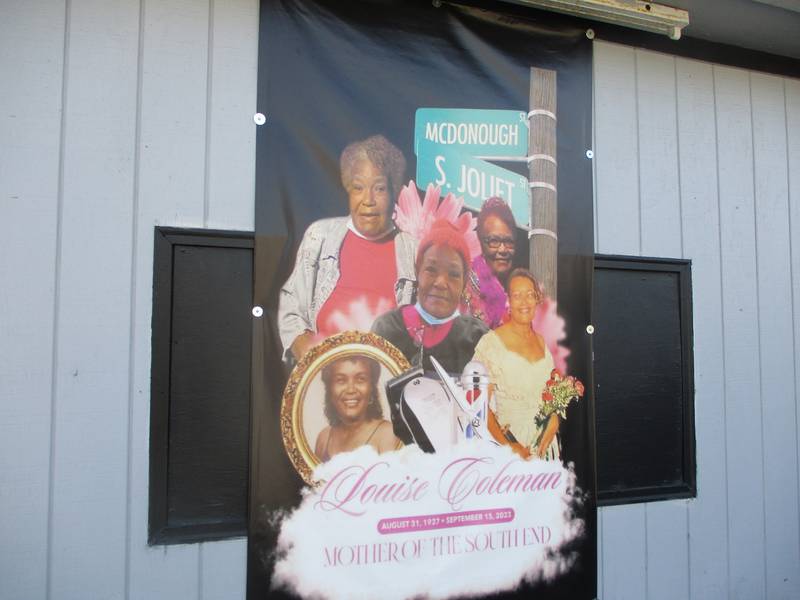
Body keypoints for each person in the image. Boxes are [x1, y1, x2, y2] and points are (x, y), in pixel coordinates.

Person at [278, 135, 417, 362]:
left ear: (394, 192)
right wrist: (303, 345)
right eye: (358, 188)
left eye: (379, 188)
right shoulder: (319, 237)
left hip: (388, 385)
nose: (368, 200)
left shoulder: (413, 251)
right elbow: (291, 305)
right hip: (324, 381)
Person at [372, 219, 489, 374]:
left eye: (453, 274)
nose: (441, 283)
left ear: (464, 282)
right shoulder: (387, 329)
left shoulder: (478, 338)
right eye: (431, 270)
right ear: (417, 271)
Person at [472, 268, 559, 459]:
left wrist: (554, 418)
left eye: (530, 295)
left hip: (546, 446)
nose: (524, 302)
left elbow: (551, 395)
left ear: (537, 298)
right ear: (508, 300)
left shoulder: (543, 343)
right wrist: (509, 446)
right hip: (511, 446)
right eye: (517, 295)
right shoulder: (490, 344)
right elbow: (477, 404)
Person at [314, 355, 399, 461]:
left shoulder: (388, 434)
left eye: (360, 379)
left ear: (371, 388)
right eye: (341, 380)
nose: (351, 389)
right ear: (330, 389)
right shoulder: (324, 438)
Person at [463, 197, 518, 329]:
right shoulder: (463, 283)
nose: (503, 249)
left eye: (509, 242)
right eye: (494, 241)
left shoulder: (512, 294)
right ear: (481, 241)